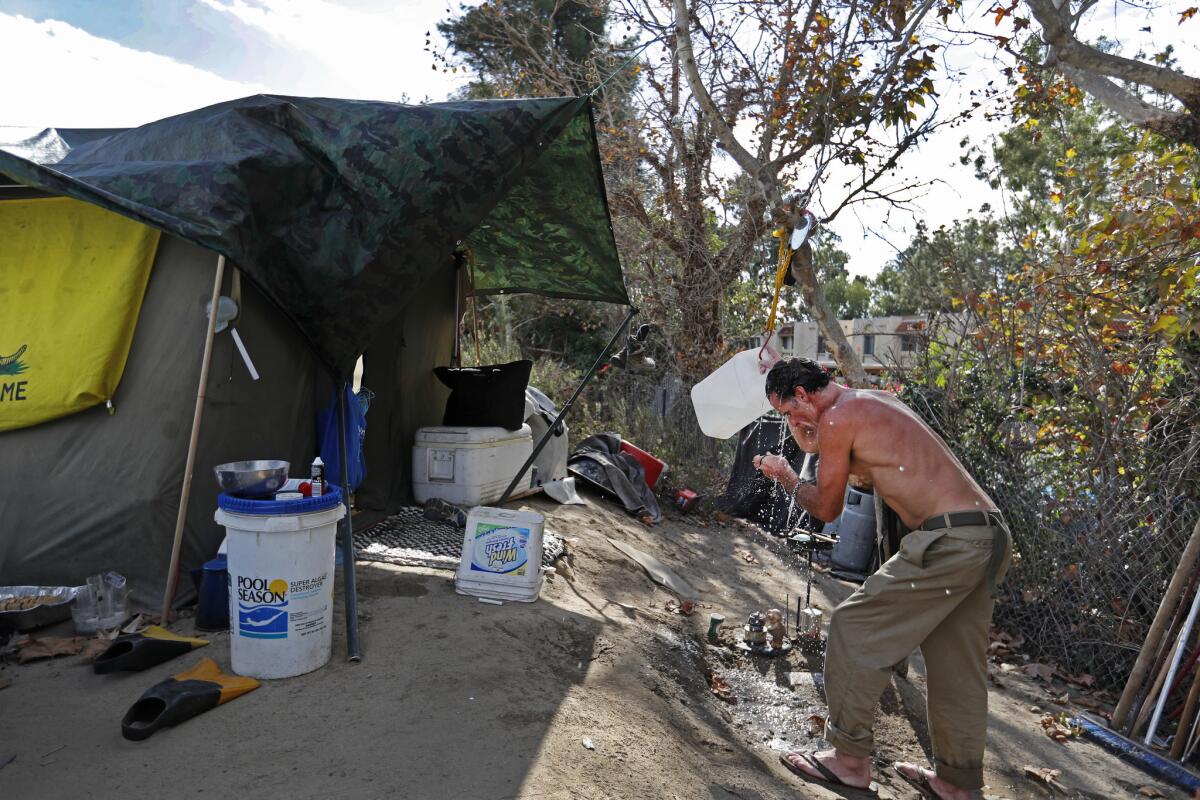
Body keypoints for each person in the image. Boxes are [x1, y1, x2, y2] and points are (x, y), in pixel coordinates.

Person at [752, 358, 1011, 800]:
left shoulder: (836, 419)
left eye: (789, 412)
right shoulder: (869, 402)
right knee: (956, 668)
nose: (791, 422)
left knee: (854, 626)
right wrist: (804, 430)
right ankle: (957, 784)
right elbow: (859, 468)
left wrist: (787, 476)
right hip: (987, 533)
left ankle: (849, 761)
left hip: (947, 540)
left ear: (803, 394)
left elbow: (826, 508)